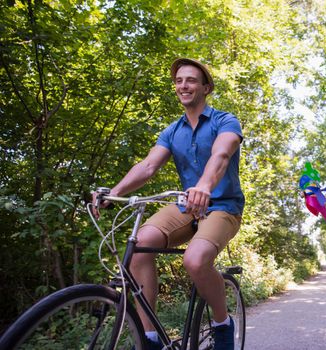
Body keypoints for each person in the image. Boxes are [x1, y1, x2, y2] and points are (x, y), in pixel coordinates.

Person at [92, 58, 244, 350]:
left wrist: (204, 185)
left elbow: (221, 156)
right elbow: (148, 166)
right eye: (179, 81)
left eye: (191, 80)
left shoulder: (226, 121)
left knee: (195, 260)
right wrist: (113, 192)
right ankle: (149, 338)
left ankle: (223, 323)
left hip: (223, 205)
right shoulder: (172, 131)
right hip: (186, 206)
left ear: (206, 87)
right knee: (139, 244)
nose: (183, 85)